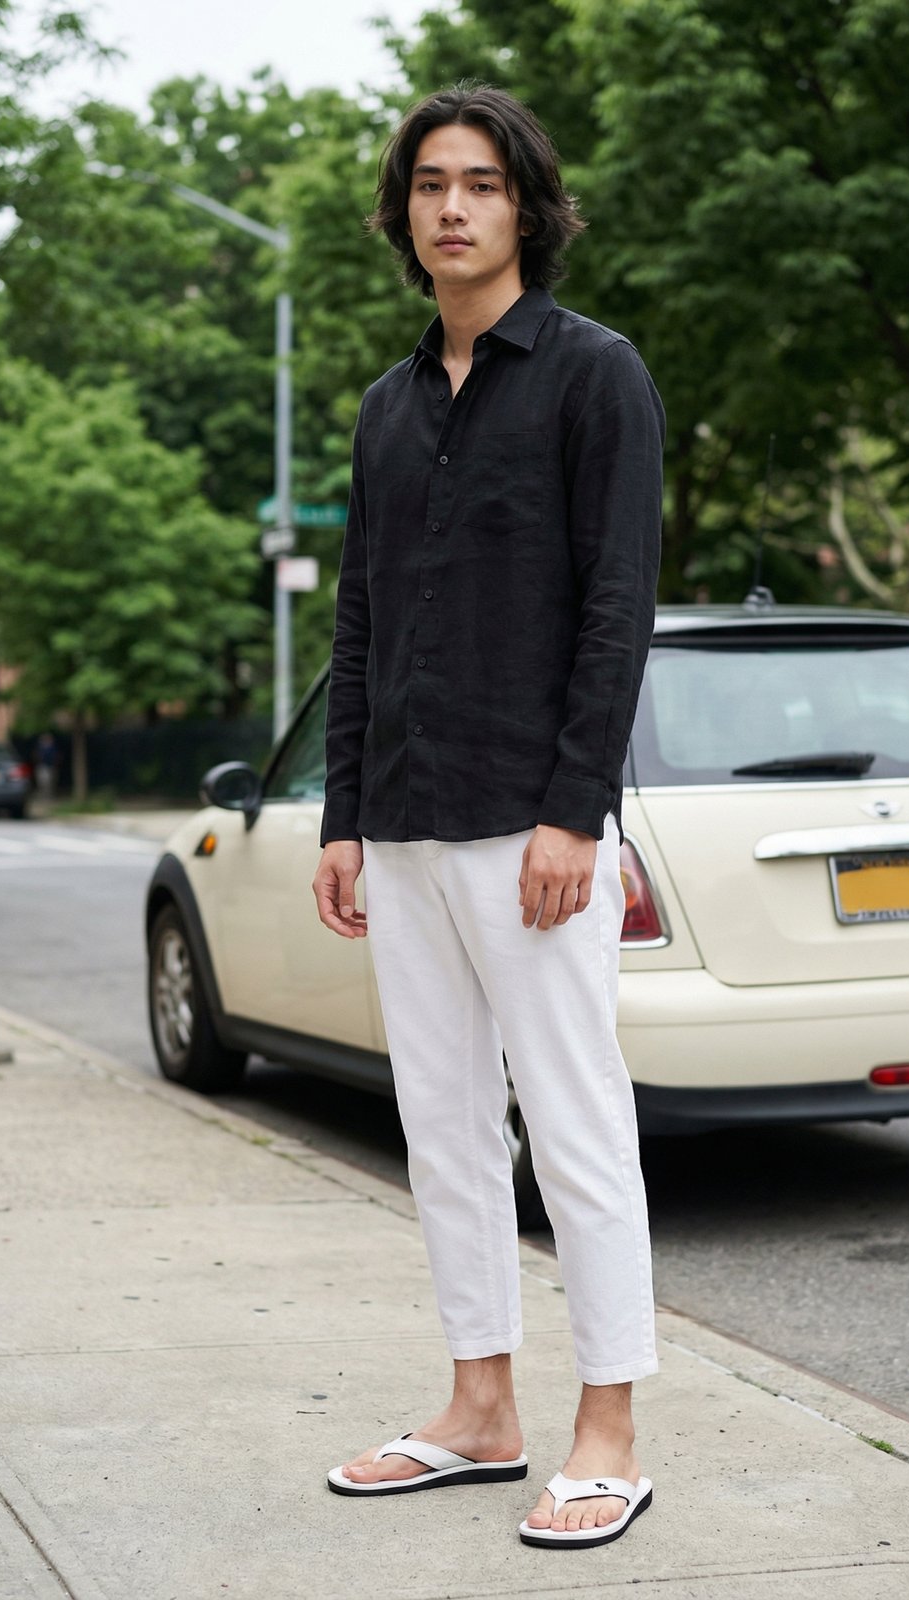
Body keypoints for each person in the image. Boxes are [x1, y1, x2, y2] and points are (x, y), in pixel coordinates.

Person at [312, 82, 664, 1551]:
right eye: (429, 185)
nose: (451, 206)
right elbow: (361, 617)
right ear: (404, 213)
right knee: (443, 1129)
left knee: (574, 1125)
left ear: (526, 204)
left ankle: (606, 1426)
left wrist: (574, 810)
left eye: (481, 183)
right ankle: (478, 1406)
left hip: (532, 830)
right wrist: (339, 812)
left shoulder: (594, 377)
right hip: (399, 824)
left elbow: (614, 606)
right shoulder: (388, 409)